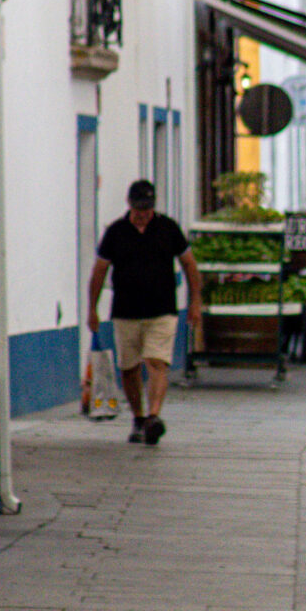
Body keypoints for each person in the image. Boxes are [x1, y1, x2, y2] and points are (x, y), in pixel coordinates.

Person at [87, 180, 203, 447]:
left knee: (156, 362)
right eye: (139, 208)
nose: (143, 213)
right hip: (125, 311)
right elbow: (99, 271)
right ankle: (138, 417)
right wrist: (92, 308)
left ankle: (153, 417)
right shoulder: (116, 232)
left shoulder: (168, 228)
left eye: (147, 208)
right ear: (129, 204)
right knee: (129, 368)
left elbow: (189, 264)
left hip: (162, 310)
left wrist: (195, 301)